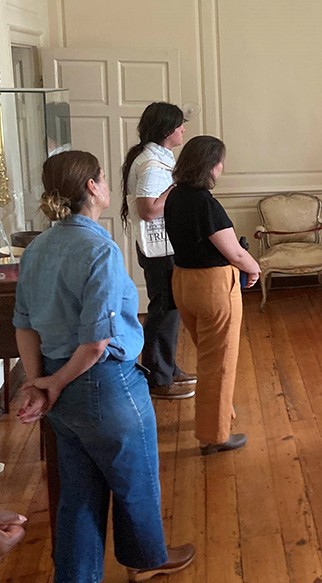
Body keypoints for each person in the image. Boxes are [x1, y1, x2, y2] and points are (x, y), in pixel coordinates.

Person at [13, 151, 195, 582]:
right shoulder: (99, 249)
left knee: (77, 494)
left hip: (62, 389)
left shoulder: (36, 249)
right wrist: (54, 383)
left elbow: (24, 324)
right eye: (104, 178)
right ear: (92, 187)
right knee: (136, 482)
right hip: (106, 385)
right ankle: (145, 561)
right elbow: (97, 342)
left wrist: (41, 381)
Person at [164, 136, 260, 455]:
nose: (221, 167)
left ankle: (219, 411)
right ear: (209, 165)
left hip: (183, 281)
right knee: (218, 362)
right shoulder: (205, 203)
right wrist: (254, 268)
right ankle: (213, 435)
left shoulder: (174, 196)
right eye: (219, 162)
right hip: (213, 286)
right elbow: (234, 252)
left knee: (209, 356)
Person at [120, 102, 194, 400]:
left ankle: (168, 368)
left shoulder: (153, 157)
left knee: (169, 308)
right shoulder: (151, 164)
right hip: (160, 249)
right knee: (164, 310)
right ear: (166, 130)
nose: (183, 130)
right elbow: (149, 210)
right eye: (179, 125)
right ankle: (158, 378)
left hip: (162, 246)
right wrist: (177, 189)